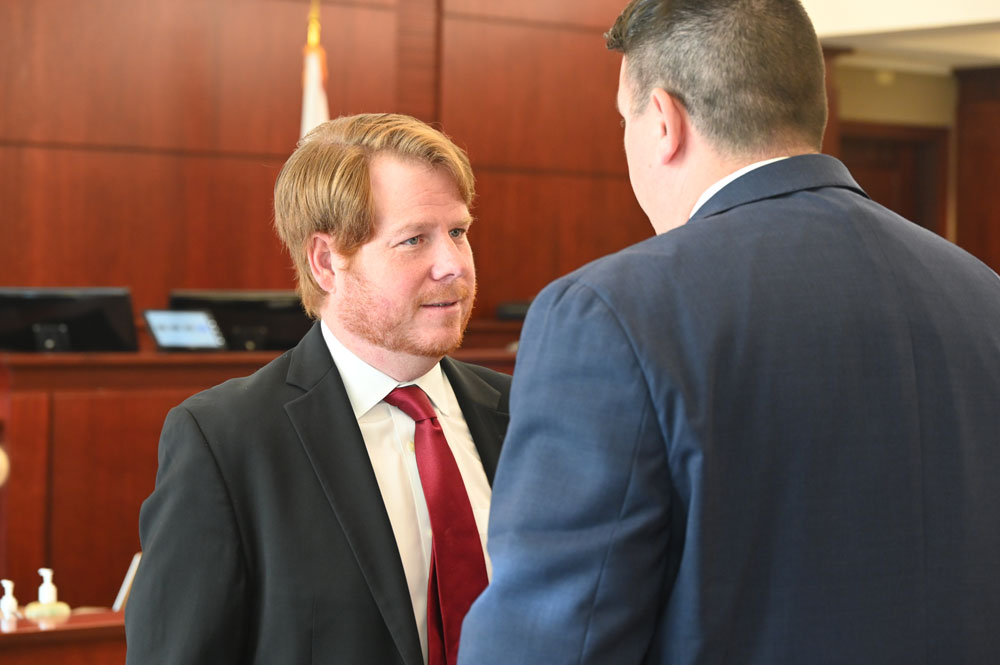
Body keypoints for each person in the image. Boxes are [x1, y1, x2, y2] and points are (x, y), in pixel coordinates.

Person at [458, 1, 1000, 663]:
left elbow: (551, 643)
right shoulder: (982, 291)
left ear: (662, 121)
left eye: (622, 120)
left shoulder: (610, 313)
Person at [125, 113, 510, 665]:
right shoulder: (226, 441)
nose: (453, 265)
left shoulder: (524, 413)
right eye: (414, 240)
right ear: (327, 262)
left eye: (458, 232)